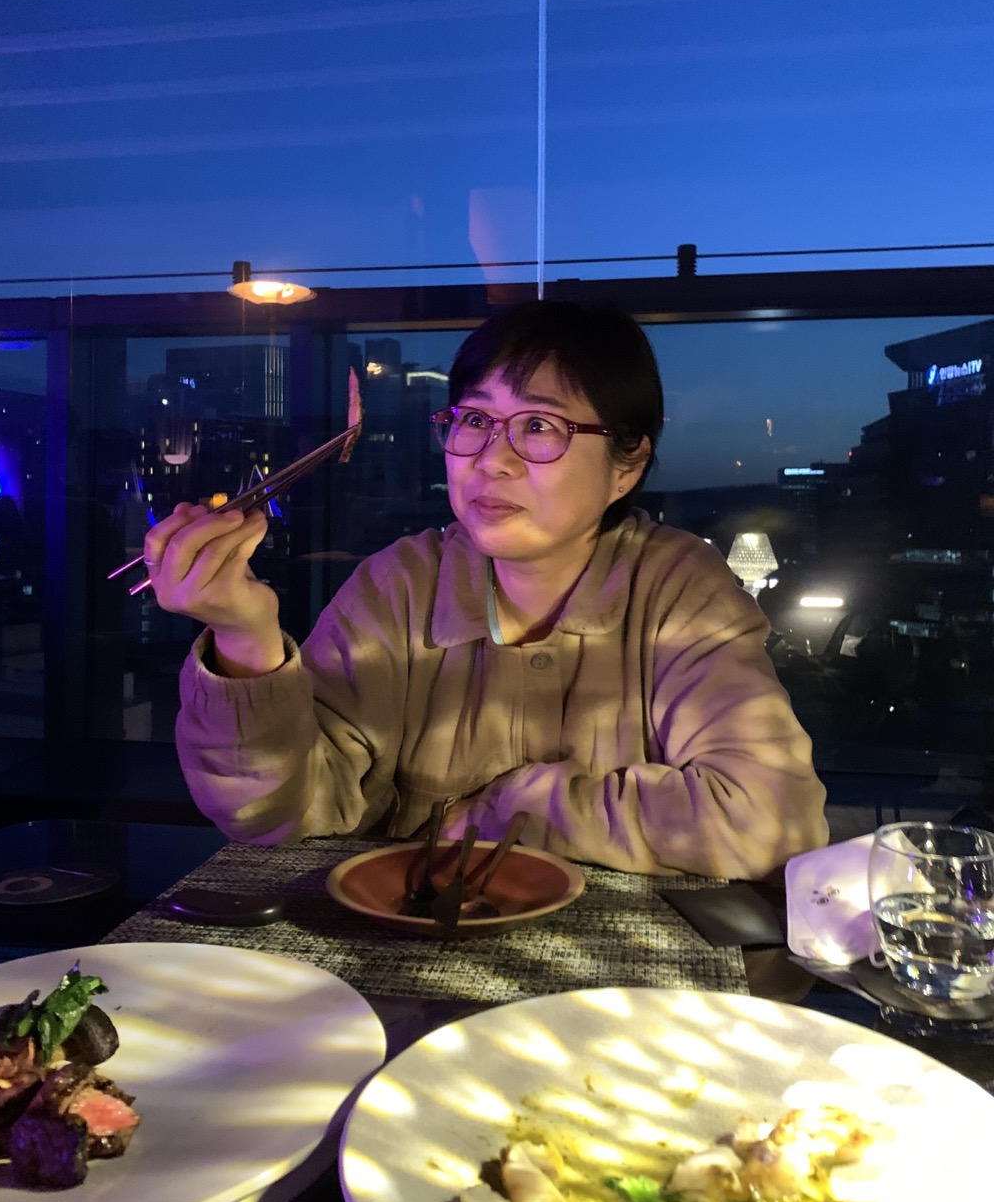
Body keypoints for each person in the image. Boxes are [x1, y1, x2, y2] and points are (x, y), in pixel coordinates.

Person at [144, 301, 828, 879]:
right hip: (405, 962)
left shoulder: (678, 591)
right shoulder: (399, 587)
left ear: (627, 466)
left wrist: (509, 811)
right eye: (474, 420)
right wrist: (244, 636)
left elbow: (770, 821)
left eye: (539, 426)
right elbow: (275, 814)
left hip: (615, 981)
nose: (492, 461)